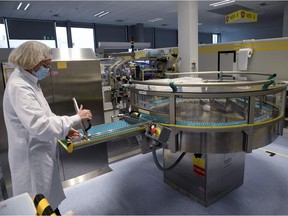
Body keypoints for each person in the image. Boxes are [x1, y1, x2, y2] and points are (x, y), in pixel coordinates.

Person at [2, 41, 92, 215]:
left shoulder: (29, 81)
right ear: (32, 62)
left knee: (46, 200)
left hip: (40, 151)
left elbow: (46, 116)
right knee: (36, 203)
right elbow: (39, 125)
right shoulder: (19, 87)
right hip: (31, 159)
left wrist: (65, 130)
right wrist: (75, 118)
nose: (48, 69)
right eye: (46, 65)